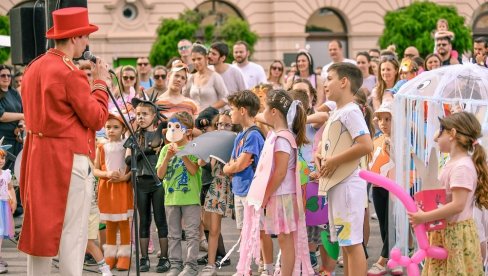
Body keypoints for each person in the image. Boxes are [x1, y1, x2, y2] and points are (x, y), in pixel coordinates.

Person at [19, 7, 111, 276]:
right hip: (67, 157)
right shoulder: (70, 72)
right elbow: (96, 118)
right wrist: (101, 84)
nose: (87, 43)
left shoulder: (33, 67)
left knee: (40, 229)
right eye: (85, 37)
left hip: (36, 154)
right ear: (74, 38)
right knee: (73, 232)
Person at [408, 111, 488, 275]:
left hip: (456, 234)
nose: (437, 137)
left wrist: (424, 217)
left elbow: (458, 205)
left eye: (441, 131)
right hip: (446, 232)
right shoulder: (454, 162)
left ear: (452, 134)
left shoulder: (462, 167)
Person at [317, 62, 373, 276]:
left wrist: (334, 161)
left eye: (329, 78)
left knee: (352, 243)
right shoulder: (339, 111)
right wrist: (322, 155)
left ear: (344, 82)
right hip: (339, 184)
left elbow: (365, 145)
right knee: (346, 243)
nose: (325, 83)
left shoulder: (350, 111)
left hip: (349, 185)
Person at [156, 111, 202, 276]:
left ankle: (191, 265)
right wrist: (167, 157)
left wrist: (182, 155)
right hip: (171, 199)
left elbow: (193, 170)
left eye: (177, 127)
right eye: (170, 126)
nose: (173, 130)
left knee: (191, 234)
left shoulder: (194, 148)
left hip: (190, 198)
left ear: (188, 131)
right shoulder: (165, 149)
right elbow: (160, 175)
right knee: (173, 234)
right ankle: (175, 264)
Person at [127, 97, 168, 272]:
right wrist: (147, 149)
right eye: (138, 114)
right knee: (144, 220)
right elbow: (128, 159)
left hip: (158, 182)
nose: (141, 117)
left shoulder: (162, 133)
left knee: (160, 219)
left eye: (145, 114)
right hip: (140, 182)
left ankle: (164, 257)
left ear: (154, 116)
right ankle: (144, 258)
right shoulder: (134, 136)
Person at [94, 113, 134, 271]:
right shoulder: (102, 146)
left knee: (124, 223)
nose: (111, 130)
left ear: (123, 128)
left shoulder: (127, 145)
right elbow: (96, 169)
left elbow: (132, 169)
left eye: (116, 127)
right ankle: (109, 255)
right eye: (108, 127)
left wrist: (125, 178)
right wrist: (107, 174)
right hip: (107, 187)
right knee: (110, 224)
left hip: (122, 187)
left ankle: (125, 256)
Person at [200, 110, 238, 275]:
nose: (222, 127)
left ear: (233, 126)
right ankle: (212, 262)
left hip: (231, 185)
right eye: (220, 124)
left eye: (226, 124)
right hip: (215, 184)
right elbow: (202, 162)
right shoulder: (215, 139)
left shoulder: (236, 140)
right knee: (210, 226)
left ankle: (212, 264)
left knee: (246, 228)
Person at [366, 101, 402, 276]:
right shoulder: (377, 139)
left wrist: (393, 147)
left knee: (392, 224)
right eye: (380, 119)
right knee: (383, 224)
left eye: (388, 119)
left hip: (394, 188)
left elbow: (404, 161)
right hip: (377, 186)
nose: (383, 123)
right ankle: (394, 257)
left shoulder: (399, 140)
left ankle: (382, 259)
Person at [223, 90, 265, 231]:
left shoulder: (253, 135)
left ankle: (256, 255)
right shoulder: (240, 135)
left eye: (232, 109)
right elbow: (230, 165)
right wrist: (229, 167)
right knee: (243, 233)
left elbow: (239, 165)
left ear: (242, 110)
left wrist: (231, 167)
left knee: (254, 234)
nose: (230, 113)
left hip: (250, 191)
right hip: (239, 189)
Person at [185, 43, 229, 110]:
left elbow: (226, 98)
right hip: (195, 117)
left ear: (206, 58)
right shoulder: (191, 77)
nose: (196, 62)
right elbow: (185, 97)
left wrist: (210, 109)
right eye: (193, 60)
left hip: (212, 117)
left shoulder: (215, 76)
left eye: (199, 59)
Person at [0, 65, 24, 167]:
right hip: (3, 140)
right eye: (3, 75)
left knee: (14, 172)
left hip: (17, 139)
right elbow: (2, 116)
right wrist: (22, 116)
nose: (6, 78)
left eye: (9, 75)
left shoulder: (14, 92)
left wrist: (19, 126)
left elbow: (22, 110)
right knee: (3, 172)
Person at [0, 147, 17, 273]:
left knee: (1, 234)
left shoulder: (6, 173)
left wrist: (13, 200)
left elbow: (10, 188)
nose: (1, 160)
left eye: (2, 157)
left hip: (3, 207)